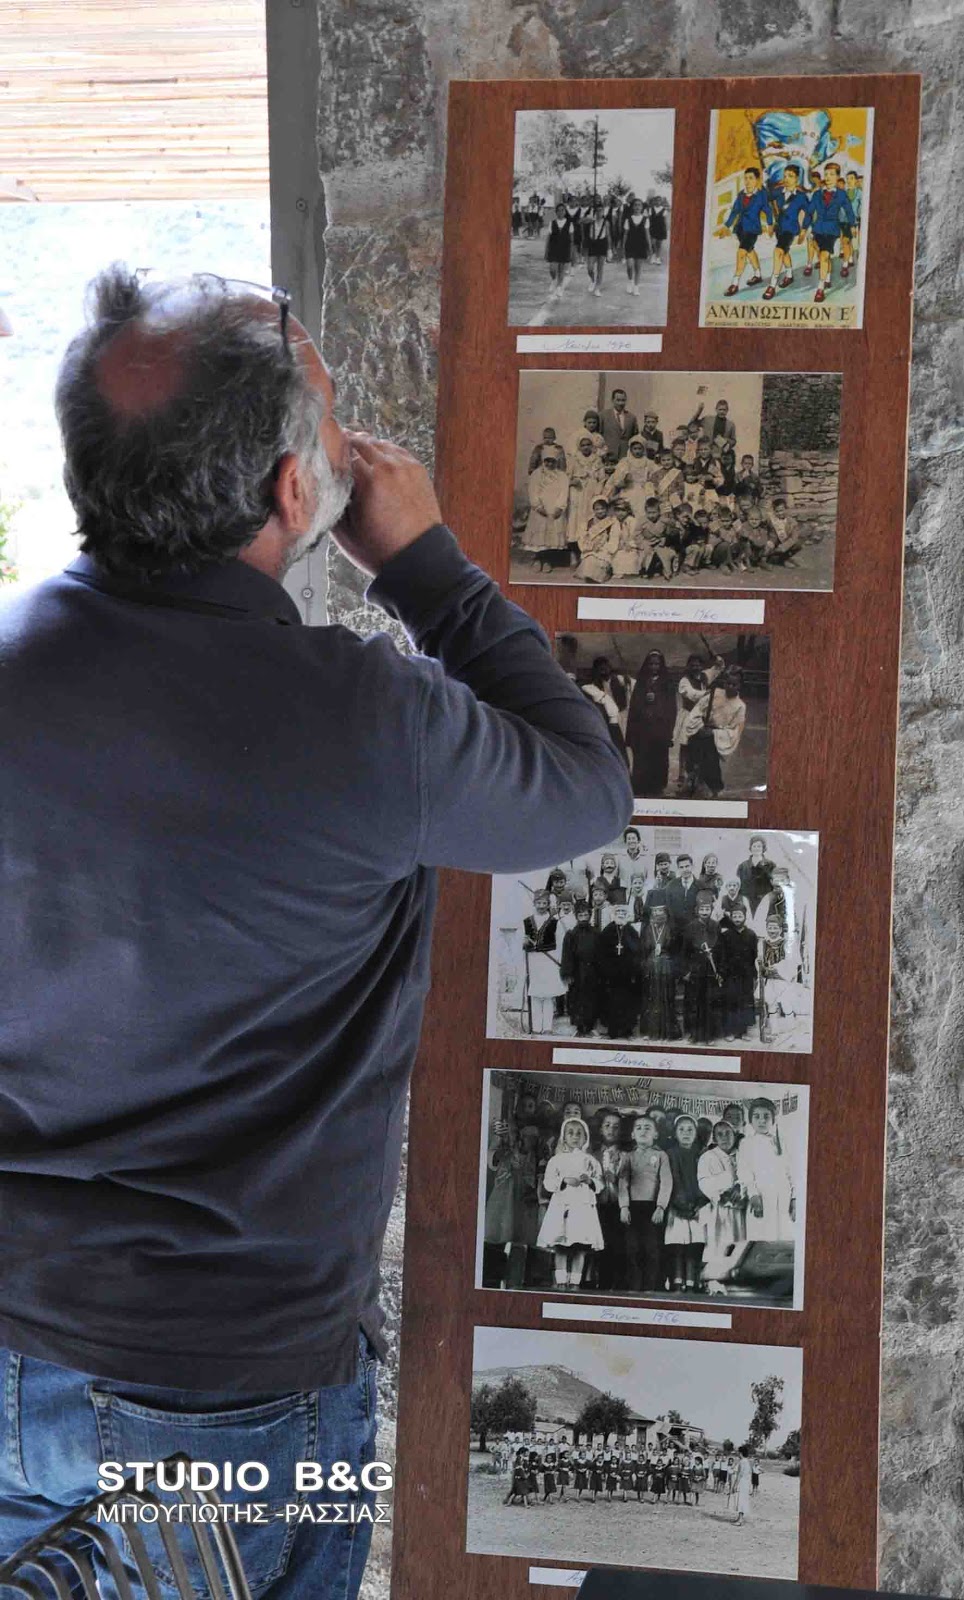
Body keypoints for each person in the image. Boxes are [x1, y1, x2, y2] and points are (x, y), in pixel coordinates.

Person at [0, 268, 635, 1593]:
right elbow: (586, 788)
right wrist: (425, 566)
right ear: (295, 493)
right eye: (331, 426)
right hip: (224, 1389)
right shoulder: (367, 719)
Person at [536, 1116, 606, 1290]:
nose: (575, 1137)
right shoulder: (556, 1160)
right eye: (571, 1133)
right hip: (562, 1207)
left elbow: (600, 1183)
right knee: (561, 1246)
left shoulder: (591, 1161)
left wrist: (590, 1181)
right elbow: (548, 1182)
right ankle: (561, 1280)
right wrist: (564, 1180)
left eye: (579, 1133)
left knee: (580, 1247)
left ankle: (575, 1282)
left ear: (585, 1137)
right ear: (564, 1137)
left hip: (582, 1208)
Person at [737, 1098, 796, 1241]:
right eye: (757, 1117)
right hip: (761, 1197)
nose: (762, 1121)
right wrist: (753, 1195)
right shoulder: (746, 1143)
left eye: (766, 1116)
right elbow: (744, 1172)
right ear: (750, 1120)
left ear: (773, 1119)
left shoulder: (782, 1141)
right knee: (762, 1237)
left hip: (783, 1197)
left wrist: (794, 1198)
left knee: (783, 1238)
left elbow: (792, 1172)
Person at [625, 1114, 671, 1293]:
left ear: (656, 1134)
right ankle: (634, 1287)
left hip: (652, 1208)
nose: (643, 1131)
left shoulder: (661, 1155)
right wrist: (623, 1207)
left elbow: (666, 1182)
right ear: (632, 1134)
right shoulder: (628, 1157)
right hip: (632, 1208)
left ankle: (650, 1287)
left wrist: (661, 1207)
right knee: (632, 1248)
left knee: (652, 1249)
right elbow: (623, 1182)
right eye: (638, 1128)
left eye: (647, 1128)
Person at [697, 1121, 746, 1287]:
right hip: (718, 1210)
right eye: (720, 1134)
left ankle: (736, 1283)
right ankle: (715, 1284)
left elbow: (748, 1176)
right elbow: (703, 1181)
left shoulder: (742, 1155)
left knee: (739, 1244)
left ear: (735, 1135)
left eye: (728, 1133)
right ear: (714, 1138)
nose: (724, 1137)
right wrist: (719, 1193)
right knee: (718, 1245)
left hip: (740, 1211)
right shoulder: (708, 1157)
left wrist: (741, 1189)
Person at [664, 1115, 708, 1293]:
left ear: (696, 1133)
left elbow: (706, 1181)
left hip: (698, 1208)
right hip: (677, 1207)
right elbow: (672, 1179)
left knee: (694, 1245)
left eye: (690, 1129)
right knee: (678, 1245)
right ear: (675, 1133)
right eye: (681, 1129)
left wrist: (699, 1203)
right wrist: (680, 1203)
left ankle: (691, 1282)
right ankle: (677, 1281)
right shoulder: (670, 1154)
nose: (686, 1133)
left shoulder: (702, 1154)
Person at [625, 649, 677, 794]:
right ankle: (641, 787)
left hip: (659, 728)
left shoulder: (667, 683)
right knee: (642, 757)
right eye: (651, 664)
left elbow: (671, 707)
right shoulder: (641, 682)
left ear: (661, 665)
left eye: (657, 664)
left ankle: (657, 787)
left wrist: (657, 700)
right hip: (642, 729)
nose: (654, 667)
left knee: (658, 758)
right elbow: (634, 706)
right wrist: (644, 700)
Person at [716, 167, 772, 296]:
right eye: (745, 178)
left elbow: (768, 210)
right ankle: (758, 275)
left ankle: (734, 283)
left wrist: (770, 225)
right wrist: (726, 226)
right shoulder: (741, 194)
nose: (747, 181)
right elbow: (735, 211)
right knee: (749, 251)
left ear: (757, 180)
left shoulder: (761, 195)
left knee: (741, 252)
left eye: (751, 178)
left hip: (752, 229)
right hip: (740, 228)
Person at [807, 162, 856, 303]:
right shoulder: (817, 194)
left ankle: (820, 288)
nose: (828, 177)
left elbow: (849, 210)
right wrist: (805, 228)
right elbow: (810, 212)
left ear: (838, 177)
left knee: (824, 255)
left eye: (832, 174)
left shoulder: (841, 194)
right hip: (817, 229)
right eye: (826, 174)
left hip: (831, 229)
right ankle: (827, 277)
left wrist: (852, 225)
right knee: (822, 255)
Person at [595, 1110, 631, 1293]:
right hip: (596, 1206)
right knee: (599, 1245)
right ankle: (599, 1284)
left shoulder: (626, 1155)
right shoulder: (592, 1154)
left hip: (618, 1206)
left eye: (616, 1127)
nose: (611, 1130)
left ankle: (617, 1287)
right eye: (607, 1125)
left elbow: (631, 1180)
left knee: (617, 1246)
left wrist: (616, 1179)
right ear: (601, 1129)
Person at [523, 889, 567, 1035]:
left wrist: (558, 963)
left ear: (548, 904)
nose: (541, 906)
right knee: (535, 995)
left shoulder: (554, 922)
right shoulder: (527, 921)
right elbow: (521, 941)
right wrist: (524, 943)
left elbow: (560, 943)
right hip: (534, 962)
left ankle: (547, 1027)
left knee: (548, 995)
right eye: (539, 903)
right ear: (534, 903)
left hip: (549, 962)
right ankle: (536, 1028)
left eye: (544, 903)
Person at [764, 162, 810, 299]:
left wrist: (804, 230)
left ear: (797, 178)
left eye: (790, 176)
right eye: (785, 176)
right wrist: (766, 183)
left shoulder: (801, 196)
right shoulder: (778, 192)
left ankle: (772, 285)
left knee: (778, 251)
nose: (787, 179)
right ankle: (789, 275)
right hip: (779, 228)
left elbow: (808, 213)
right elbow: (766, 198)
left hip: (791, 229)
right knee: (784, 252)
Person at [598, 903, 643, 1038]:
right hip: (612, 975)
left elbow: (637, 951)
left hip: (627, 974)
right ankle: (613, 1031)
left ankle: (627, 1030)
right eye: (618, 913)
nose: (621, 915)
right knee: (612, 1002)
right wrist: (607, 969)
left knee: (628, 1003)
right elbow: (601, 953)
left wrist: (634, 969)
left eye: (623, 913)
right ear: (614, 915)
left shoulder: (631, 931)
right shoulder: (608, 931)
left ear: (627, 915)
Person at [718, 902, 760, 1040]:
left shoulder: (751, 935)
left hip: (746, 974)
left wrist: (754, 974)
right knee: (730, 1001)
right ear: (731, 917)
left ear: (745, 917)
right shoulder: (726, 935)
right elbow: (722, 955)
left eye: (740, 916)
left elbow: (754, 956)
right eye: (734, 916)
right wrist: (722, 972)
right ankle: (729, 1032)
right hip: (730, 974)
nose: (737, 919)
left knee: (745, 1002)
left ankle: (743, 1032)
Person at [560, 900, 602, 1036]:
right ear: (576, 917)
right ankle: (579, 1027)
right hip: (577, 972)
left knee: (592, 999)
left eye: (586, 915)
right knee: (577, 999)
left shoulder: (596, 933)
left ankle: (590, 1026)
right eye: (580, 915)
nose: (583, 918)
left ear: (589, 915)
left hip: (593, 972)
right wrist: (567, 974)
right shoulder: (571, 935)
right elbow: (567, 956)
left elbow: (601, 954)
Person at [640, 905, 680, 1041]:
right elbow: (644, 947)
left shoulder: (671, 928)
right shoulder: (647, 929)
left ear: (665, 912)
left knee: (665, 997)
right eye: (655, 911)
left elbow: (675, 949)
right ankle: (650, 1031)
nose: (658, 913)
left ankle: (667, 1032)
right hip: (651, 965)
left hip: (666, 966)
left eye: (660, 910)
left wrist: (664, 949)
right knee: (651, 997)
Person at [524, 448, 570, 562]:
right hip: (541, 508)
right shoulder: (537, 474)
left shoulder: (562, 476)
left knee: (552, 532)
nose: (550, 464)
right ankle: (538, 558)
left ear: (556, 461)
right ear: (543, 461)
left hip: (555, 507)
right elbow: (533, 491)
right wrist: (538, 506)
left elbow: (564, 492)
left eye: (552, 461)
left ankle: (548, 559)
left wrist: (560, 507)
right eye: (547, 461)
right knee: (539, 531)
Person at [601, 388, 640, 461]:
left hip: (625, 457)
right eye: (618, 400)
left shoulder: (632, 418)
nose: (621, 403)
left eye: (623, 400)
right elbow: (599, 436)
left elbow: (635, 437)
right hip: (608, 456)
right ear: (612, 400)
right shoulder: (603, 416)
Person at [623, 196, 651, 294]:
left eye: (639, 205)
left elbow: (647, 234)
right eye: (635, 205)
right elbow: (625, 234)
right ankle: (630, 281)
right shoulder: (628, 219)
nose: (637, 207)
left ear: (642, 207)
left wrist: (649, 247)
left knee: (638, 267)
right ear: (632, 207)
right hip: (630, 245)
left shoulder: (645, 219)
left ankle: (636, 286)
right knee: (629, 266)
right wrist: (623, 247)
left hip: (641, 245)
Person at [585, 201, 611, 296]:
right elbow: (580, 221)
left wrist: (609, 249)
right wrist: (589, 217)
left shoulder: (606, 222)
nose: (599, 212)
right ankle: (593, 280)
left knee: (600, 268)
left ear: (603, 212)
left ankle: (597, 288)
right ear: (595, 212)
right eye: (597, 211)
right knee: (590, 268)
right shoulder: (591, 221)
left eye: (601, 211)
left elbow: (608, 236)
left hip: (602, 244)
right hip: (593, 244)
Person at [732, 1446, 752, 1525]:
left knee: (740, 1500)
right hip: (746, 1483)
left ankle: (740, 1520)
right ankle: (740, 1518)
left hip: (742, 1482)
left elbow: (739, 1474)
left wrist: (735, 1485)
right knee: (743, 1500)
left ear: (741, 1453)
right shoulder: (747, 1461)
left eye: (738, 1452)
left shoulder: (742, 1462)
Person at [647, 195, 669, 264]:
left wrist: (666, 228)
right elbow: (649, 219)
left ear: (661, 201)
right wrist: (648, 227)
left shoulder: (664, 210)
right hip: (653, 227)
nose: (658, 202)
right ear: (654, 201)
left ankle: (658, 257)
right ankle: (653, 256)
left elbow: (665, 220)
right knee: (653, 242)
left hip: (661, 228)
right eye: (656, 200)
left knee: (659, 244)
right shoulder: (651, 209)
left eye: (659, 200)